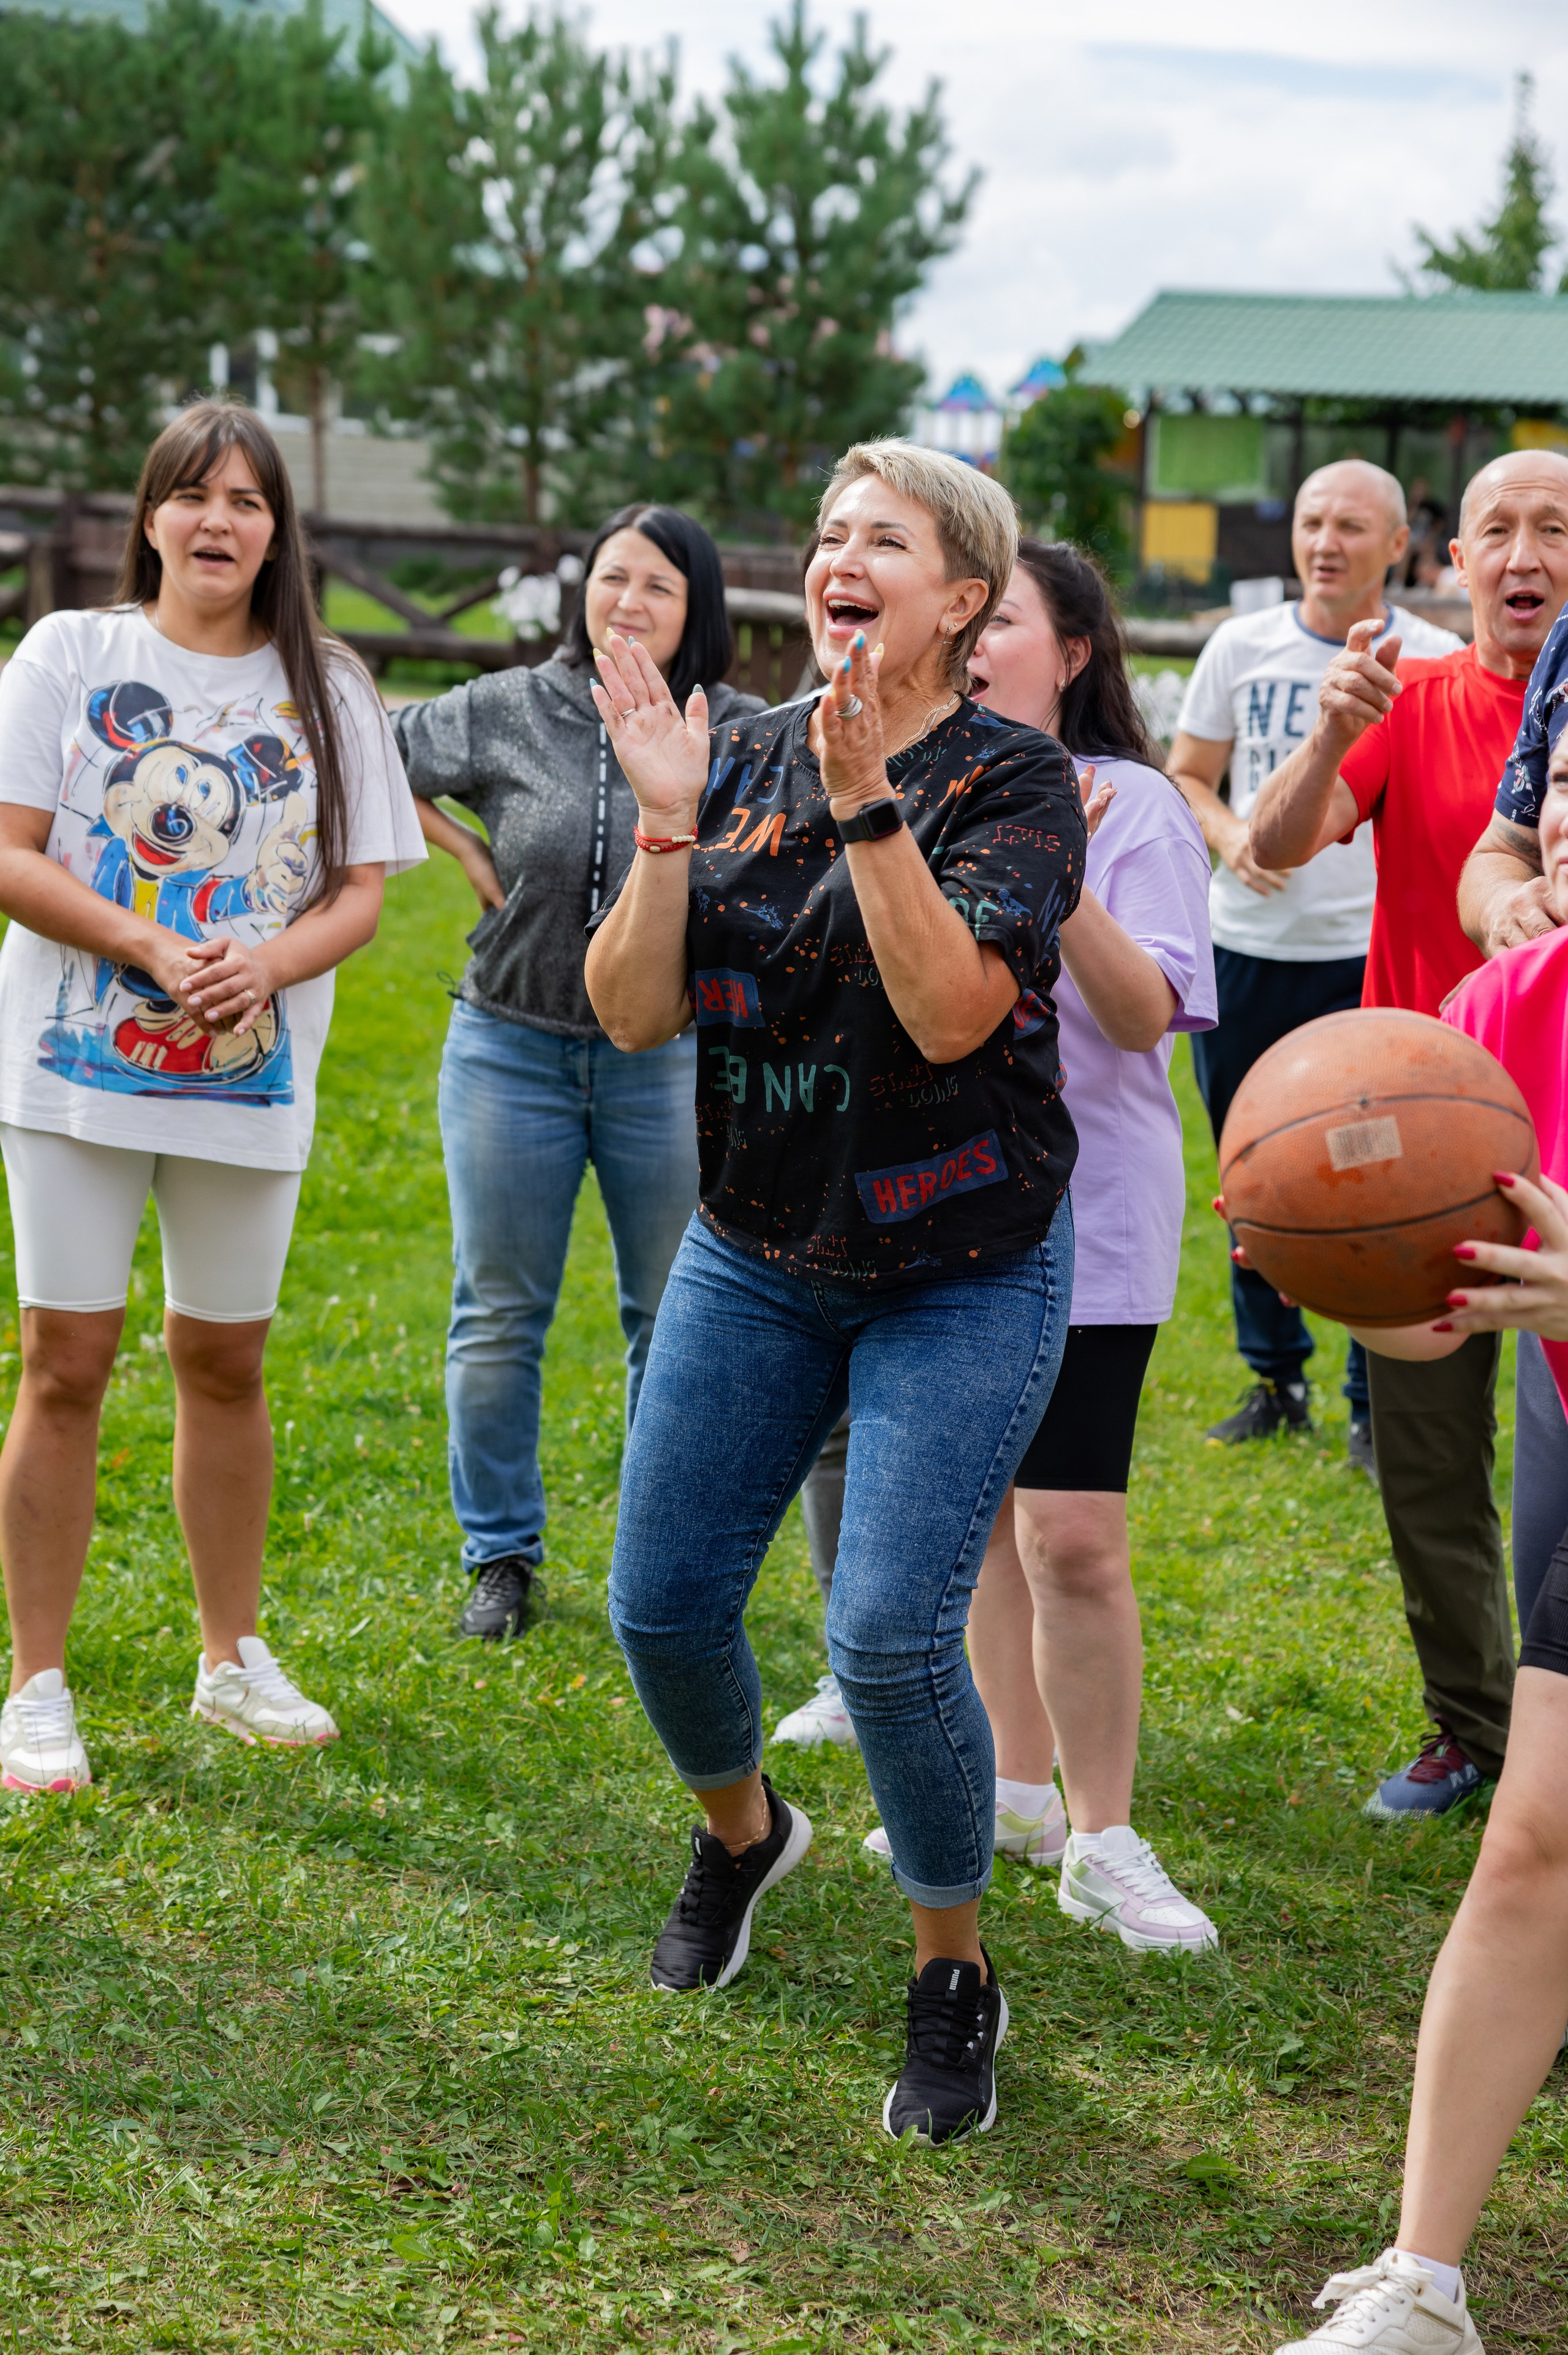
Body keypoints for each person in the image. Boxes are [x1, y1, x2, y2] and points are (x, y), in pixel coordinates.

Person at [583, 440, 1085, 2144]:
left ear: (962, 599)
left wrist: (869, 795)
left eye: (885, 537)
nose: (837, 557)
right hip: (758, 1246)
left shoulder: (1018, 783)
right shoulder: (723, 756)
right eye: (824, 535)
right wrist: (664, 819)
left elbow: (952, 1012)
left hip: (963, 1263)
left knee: (884, 1633)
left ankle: (954, 1964)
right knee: (656, 1601)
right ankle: (745, 1833)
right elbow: (635, 1012)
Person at [782, 542, 1221, 1953]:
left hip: (1089, 1220)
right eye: (964, 618)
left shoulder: (1137, 803)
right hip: (944, 1211)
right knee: (975, 1535)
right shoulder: (900, 792)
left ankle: (1100, 1836)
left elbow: (1147, 1016)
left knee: (1074, 1537)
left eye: (1006, 620)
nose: (974, 646)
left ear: (1072, 651)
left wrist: (1064, 859)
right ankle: (1013, 1792)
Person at [0, 401, 424, 1795]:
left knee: (223, 1362)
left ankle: (228, 1655)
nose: (218, 522)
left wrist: (266, 964)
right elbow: (11, 850)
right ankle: (37, 1684)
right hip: (68, 1067)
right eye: (193, 494)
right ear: (151, 513)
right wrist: (136, 941)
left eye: (246, 500)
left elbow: (359, 894)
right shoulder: (75, 653)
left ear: (277, 527)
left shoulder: (332, 688)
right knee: (65, 1360)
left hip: (248, 1081)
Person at [1268, 736, 1568, 2355]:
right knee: (1534, 1841)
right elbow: (1441, 1303)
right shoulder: (1508, 1015)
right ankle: (1423, 2287)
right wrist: (1351, 1233)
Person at [1248, 448, 1568, 1821]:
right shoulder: (1414, 691)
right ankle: (1474, 1725)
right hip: (1422, 1156)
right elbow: (1268, 844)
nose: (1521, 553)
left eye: (1552, 528)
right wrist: (1326, 731)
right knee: (1430, 1454)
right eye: (1494, 528)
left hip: (1554, 1136)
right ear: (1453, 562)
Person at [391, 507, 763, 1642]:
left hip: (668, 1061)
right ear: (580, 593)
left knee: (675, 1317)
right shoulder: (511, 706)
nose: (628, 602)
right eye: (611, 579)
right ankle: (500, 1556)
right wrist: (454, 843)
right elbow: (360, 750)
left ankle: (659, 1563)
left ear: (696, 608)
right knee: (498, 1313)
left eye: (657, 585)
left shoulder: (738, 730)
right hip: (509, 1047)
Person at [1168, 461, 1462, 1464]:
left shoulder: (1433, 658)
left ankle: (1369, 1396)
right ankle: (1275, 1375)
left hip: (1365, 959)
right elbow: (1190, 775)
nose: (1326, 542)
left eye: (1351, 526)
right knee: (1256, 1175)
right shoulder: (1239, 644)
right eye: (1310, 522)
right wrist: (1229, 834)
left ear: (1396, 546)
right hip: (1246, 950)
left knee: (1383, 1175)